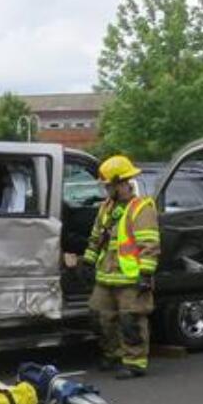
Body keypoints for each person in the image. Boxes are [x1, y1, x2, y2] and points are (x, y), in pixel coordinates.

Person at [79, 155, 160, 379]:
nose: (106, 190)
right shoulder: (106, 208)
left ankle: (135, 362)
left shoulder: (141, 208)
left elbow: (149, 245)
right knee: (99, 316)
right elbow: (96, 238)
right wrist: (88, 261)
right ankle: (113, 354)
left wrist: (146, 274)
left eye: (109, 186)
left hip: (131, 279)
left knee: (131, 321)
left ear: (121, 183)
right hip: (106, 276)